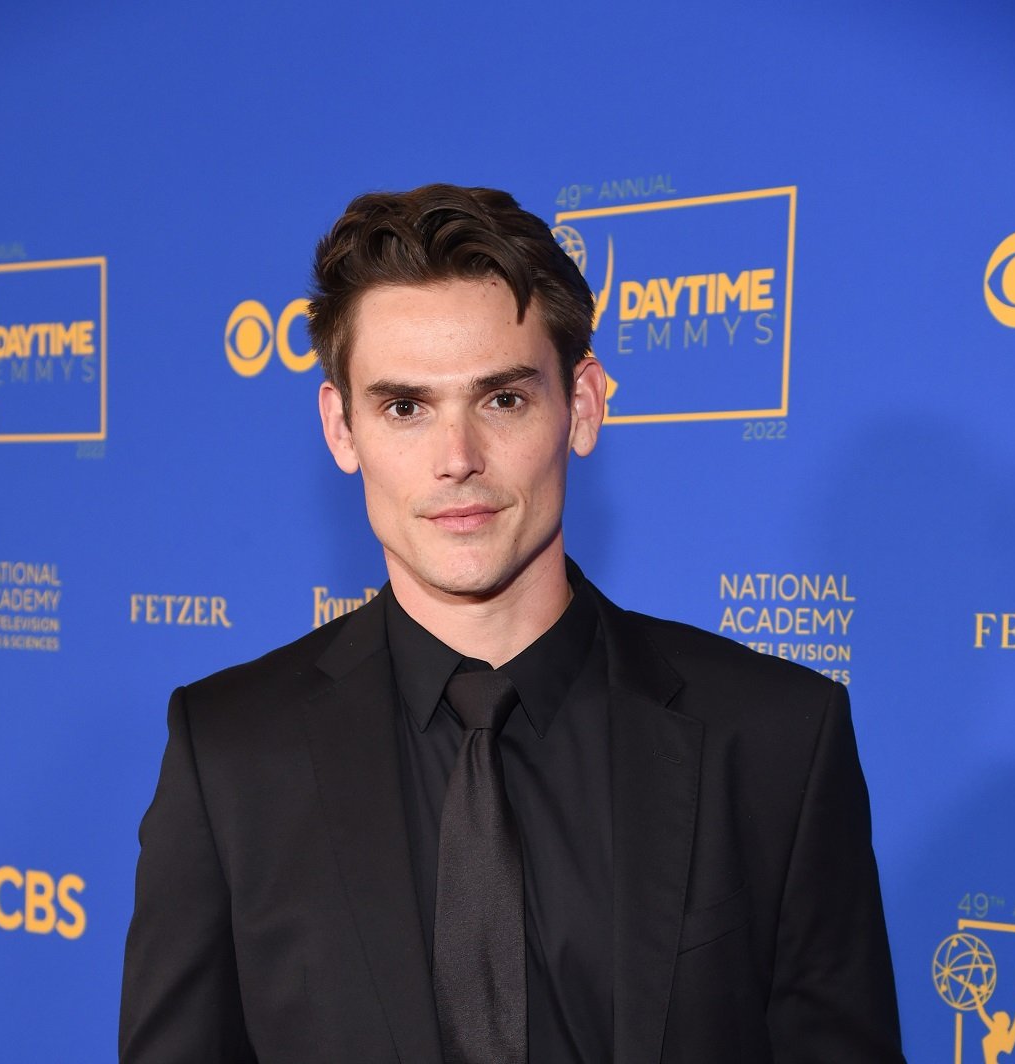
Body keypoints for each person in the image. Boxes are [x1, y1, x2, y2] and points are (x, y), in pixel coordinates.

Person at [120, 184, 905, 1063]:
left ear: (585, 405)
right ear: (342, 429)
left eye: (502, 400)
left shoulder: (773, 741)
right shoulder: (230, 755)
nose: (457, 461)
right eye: (405, 407)